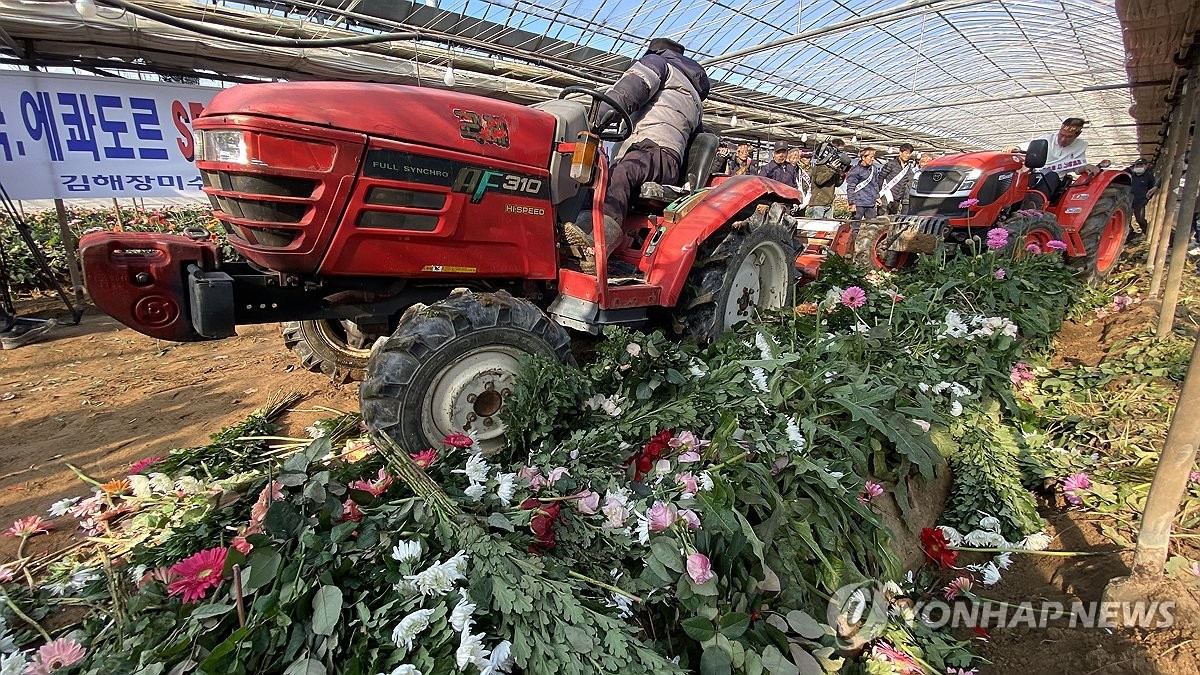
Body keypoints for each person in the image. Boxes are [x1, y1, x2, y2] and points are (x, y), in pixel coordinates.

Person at [567, 36, 710, 269]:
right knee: (602, 176)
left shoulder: (660, 64)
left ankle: (595, 246)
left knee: (614, 177)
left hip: (652, 150)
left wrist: (593, 119)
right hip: (668, 162)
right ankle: (579, 234)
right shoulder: (695, 98)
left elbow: (627, 92)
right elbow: (695, 141)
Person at [1010, 117, 1099, 211]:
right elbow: (1028, 146)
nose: (1063, 139)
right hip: (1036, 175)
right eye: (1061, 135)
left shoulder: (1080, 146)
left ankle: (1032, 209)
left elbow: (1077, 168)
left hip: (1054, 181)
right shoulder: (1047, 139)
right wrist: (1014, 147)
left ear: (1077, 135)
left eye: (1069, 137)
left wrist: (1085, 167)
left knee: (1051, 176)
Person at [845, 147, 881, 234]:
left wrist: (877, 197)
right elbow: (850, 188)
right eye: (870, 157)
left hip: (870, 203)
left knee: (872, 227)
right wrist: (851, 203)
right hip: (859, 203)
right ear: (863, 157)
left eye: (873, 157)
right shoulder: (855, 171)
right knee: (855, 227)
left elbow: (875, 184)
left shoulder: (874, 169)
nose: (873, 159)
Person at [807, 139, 846, 218]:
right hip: (818, 204)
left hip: (828, 203)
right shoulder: (820, 165)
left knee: (826, 229)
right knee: (815, 228)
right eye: (839, 151)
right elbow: (819, 181)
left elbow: (837, 184)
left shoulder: (832, 167)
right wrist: (832, 169)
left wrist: (841, 174)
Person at [1124, 158, 1157, 244]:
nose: (1139, 167)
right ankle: (1129, 235)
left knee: (1140, 219)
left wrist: (1146, 199)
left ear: (1145, 166)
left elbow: (1152, 188)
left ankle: (1147, 234)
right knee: (1126, 220)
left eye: (1141, 165)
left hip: (1140, 201)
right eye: (1137, 165)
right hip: (1128, 201)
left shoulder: (1149, 176)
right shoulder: (1131, 175)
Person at [877, 143, 915, 216]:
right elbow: (880, 178)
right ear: (900, 153)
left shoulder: (909, 169)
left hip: (897, 198)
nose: (908, 155)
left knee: (892, 219)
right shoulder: (891, 164)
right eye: (906, 153)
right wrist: (877, 195)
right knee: (882, 217)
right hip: (886, 195)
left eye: (909, 153)